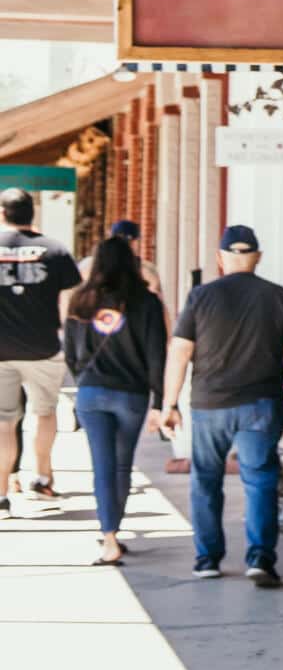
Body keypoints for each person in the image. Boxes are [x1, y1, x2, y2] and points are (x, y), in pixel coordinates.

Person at [159, 225, 283, 587]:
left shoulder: (200, 297)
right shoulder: (279, 296)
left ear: (221, 258)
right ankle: (260, 559)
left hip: (210, 404)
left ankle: (207, 559)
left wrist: (169, 403)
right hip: (261, 403)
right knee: (260, 482)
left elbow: (180, 351)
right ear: (256, 256)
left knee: (205, 480)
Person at [62, 235, 166, 566]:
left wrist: (83, 380)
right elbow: (157, 356)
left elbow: (70, 353)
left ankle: (109, 538)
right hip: (131, 395)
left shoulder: (81, 300)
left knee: (102, 467)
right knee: (122, 466)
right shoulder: (147, 303)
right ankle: (114, 530)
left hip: (92, 393)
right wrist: (161, 401)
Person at [0, 187, 80, 516]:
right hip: (44, 347)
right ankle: (42, 478)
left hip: (1, 349)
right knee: (44, 413)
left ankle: (2, 492)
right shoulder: (55, 250)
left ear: (3, 214)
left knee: (3, 422)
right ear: (32, 213)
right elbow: (71, 300)